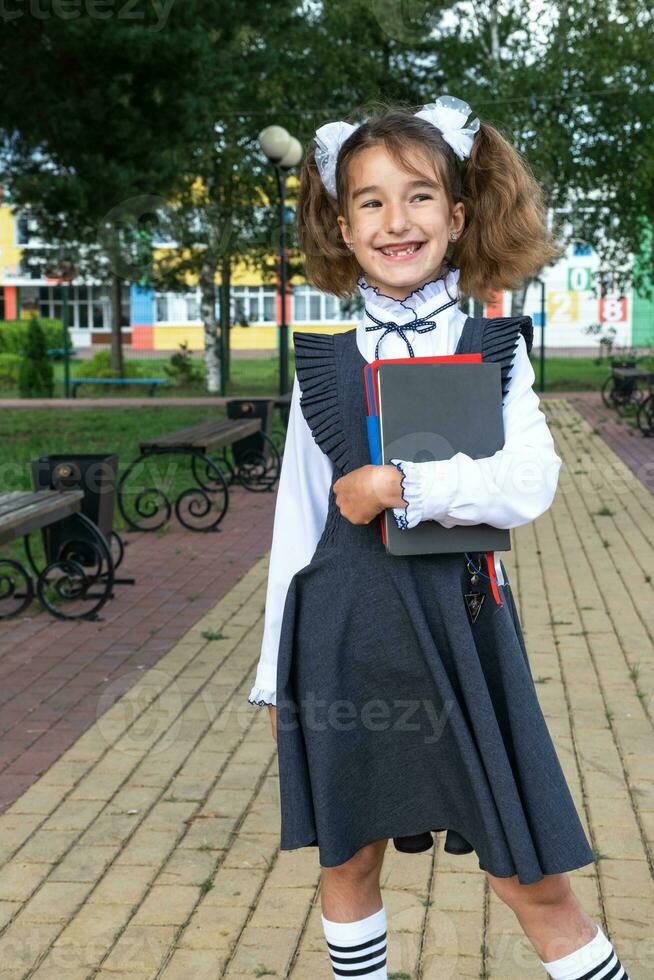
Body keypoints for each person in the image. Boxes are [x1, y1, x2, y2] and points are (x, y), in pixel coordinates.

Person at [247, 96, 631, 980]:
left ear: (457, 217)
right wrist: (277, 677)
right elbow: (298, 525)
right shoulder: (322, 358)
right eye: (371, 202)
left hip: (462, 631)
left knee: (527, 870)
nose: (396, 220)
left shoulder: (491, 346)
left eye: (419, 196)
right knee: (346, 857)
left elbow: (529, 484)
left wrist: (406, 486)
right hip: (343, 637)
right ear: (343, 227)